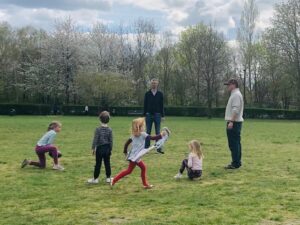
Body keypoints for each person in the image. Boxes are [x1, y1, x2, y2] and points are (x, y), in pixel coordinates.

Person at [111, 118, 167, 189]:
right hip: (136, 157)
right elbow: (152, 138)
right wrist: (161, 135)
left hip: (134, 156)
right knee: (133, 170)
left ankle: (144, 184)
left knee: (133, 170)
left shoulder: (133, 135)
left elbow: (126, 143)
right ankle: (114, 180)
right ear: (140, 127)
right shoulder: (143, 134)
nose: (144, 127)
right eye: (143, 125)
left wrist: (125, 151)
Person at [224, 78, 244, 169]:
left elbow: (235, 109)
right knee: (236, 143)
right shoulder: (236, 94)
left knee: (233, 143)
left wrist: (231, 121)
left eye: (228, 85)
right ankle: (237, 162)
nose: (227, 86)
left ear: (233, 84)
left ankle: (235, 163)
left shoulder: (236, 95)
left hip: (234, 122)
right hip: (236, 122)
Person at [88, 111, 113, 184]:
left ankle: (95, 179)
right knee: (107, 163)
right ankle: (108, 178)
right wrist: (110, 149)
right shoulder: (110, 130)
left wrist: (93, 148)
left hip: (100, 149)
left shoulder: (98, 129)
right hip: (107, 148)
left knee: (98, 164)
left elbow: (95, 140)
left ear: (100, 119)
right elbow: (111, 141)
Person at [143, 78, 165, 153]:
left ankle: (158, 148)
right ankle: (146, 148)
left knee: (158, 132)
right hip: (148, 115)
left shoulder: (160, 94)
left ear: (157, 84)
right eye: (152, 83)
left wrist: (163, 116)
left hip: (158, 115)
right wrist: (144, 115)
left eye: (155, 83)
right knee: (147, 132)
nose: (154, 84)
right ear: (150, 84)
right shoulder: (147, 94)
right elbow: (145, 105)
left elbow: (162, 105)